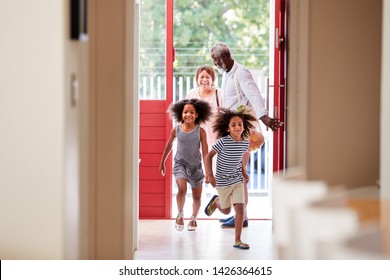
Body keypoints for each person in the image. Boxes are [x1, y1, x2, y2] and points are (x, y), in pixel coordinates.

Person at [210, 42, 282, 228]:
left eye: (216, 59)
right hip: (231, 130)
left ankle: (241, 216)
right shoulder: (227, 74)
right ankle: (241, 215)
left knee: (238, 173)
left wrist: (263, 116)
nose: (215, 63)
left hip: (241, 131)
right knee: (234, 172)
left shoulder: (241, 72)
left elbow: (254, 93)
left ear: (225, 56)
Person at [204, 108, 257, 249]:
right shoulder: (223, 142)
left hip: (237, 180)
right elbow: (209, 156)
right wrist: (210, 175)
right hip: (222, 181)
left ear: (244, 126)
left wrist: (244, 173)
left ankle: (238, 240)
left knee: (240, 207)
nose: (237, 127)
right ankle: (216, 202)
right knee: (226, 210)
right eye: (233, 125)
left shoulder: (245, 143)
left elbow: (238, 160)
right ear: (228, 129)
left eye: (240, 124)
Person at [159, 98, 212, 231]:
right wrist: (162, 162)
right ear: (180, 114)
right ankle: (180, 214)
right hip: (180, 164)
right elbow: (169, 145)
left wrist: (208, 172)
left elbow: (205, 153)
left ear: (197, 115)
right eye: (185, 112)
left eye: (192, 112)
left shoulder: (201, 131)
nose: (188, 115)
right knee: (182, 189)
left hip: (196, 167)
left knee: (197, 197)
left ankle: (193, 218)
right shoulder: (176, 130)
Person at [186, 65, 222, 148]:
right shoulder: (191, 94)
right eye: (201, 77)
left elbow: (225, 116)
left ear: (212, 79)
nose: (204, 80)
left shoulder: (219, 93)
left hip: (215, 139)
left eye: (208, 77)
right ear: (197, 79)